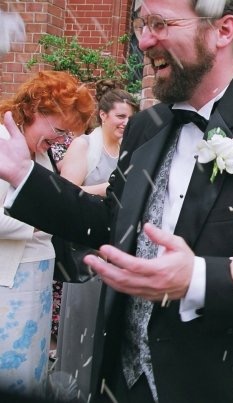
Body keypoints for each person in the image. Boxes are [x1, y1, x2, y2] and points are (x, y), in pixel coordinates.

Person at [0, 1, 233, 403]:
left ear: (223, 30)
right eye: (141, 23)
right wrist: (25, 177)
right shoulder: (145, 128)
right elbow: (111, 224)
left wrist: (199, 279)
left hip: (226, 388)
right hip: (123, 384)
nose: (145, 39)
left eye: (160, 23)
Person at [0, 71, 94, 398]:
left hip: (39, 279)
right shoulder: (3, 142)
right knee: (12, 369)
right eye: (58, 130)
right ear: (36, 110)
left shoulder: (41, 151)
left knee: (33, 366)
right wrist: (40, 221)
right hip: (9, 284)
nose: (61, 140)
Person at [54, 79, 139, 398]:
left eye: (129, 117)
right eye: (120, 116)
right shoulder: (84, 147)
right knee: (83, 330)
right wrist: (107, 189)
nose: (125, 123)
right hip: (85, 256)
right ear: (103, 115)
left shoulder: (129, 151)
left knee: (107, 334)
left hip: (117, 253)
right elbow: (65, 196)